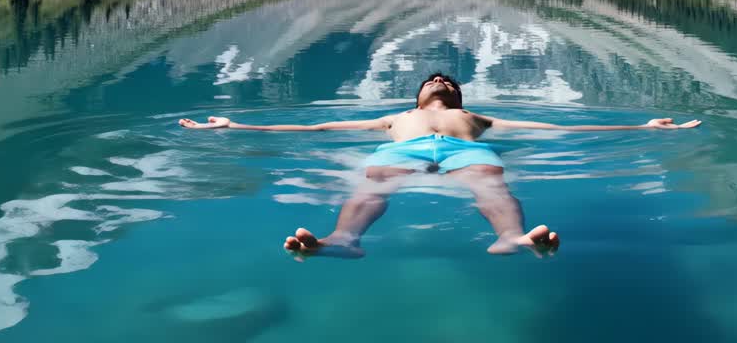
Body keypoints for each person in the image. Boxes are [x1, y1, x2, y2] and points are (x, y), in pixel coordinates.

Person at [179, 72, 701, 258]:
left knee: (491, 188)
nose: (440, 81)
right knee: (370, 191)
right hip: (398, 152)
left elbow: (556, 130)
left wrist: (640, 128)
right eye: (433, 80)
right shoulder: (394, 117)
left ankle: (512, 238)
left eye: (448, 81)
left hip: (468, 152)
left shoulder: (474, 116)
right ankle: (343, 240)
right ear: (419, 94)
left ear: (456, 95)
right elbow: (317, 130)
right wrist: (238, 127)